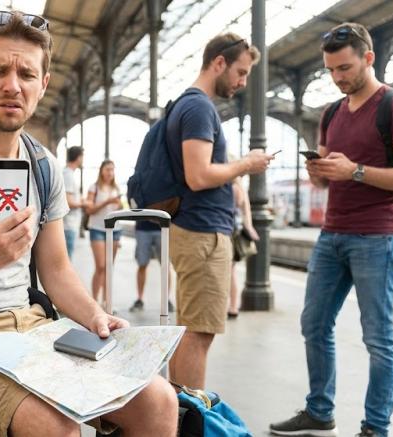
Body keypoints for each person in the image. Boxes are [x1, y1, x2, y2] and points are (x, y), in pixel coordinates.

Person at [0, 11, 177, 437]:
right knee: (55, 426)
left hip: (28, 324)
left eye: (26, 73)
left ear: (43, 84)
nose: (13, 85)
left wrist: (96, 316)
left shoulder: (43, 166)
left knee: (159, 401)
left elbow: (57, 270)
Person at [270, 23, 393, 437]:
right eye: (330, 70)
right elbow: (329, 177)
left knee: (378, 338)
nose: (337, 77)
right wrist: (319, 172)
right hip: (331, 234)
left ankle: (375, 427)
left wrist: (355, 171)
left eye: (344, 68)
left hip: (377, 237)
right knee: (314, 324)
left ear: (368, 58)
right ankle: (319, 410)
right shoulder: (330, 113)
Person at [166, 33, 273, 390]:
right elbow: (198, 176)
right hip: (203, 232)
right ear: (219, 63)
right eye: (240, 72)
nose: (242, 82)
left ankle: (178, 410)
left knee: (190, 329)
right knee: (199, 334)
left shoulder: (187, 104)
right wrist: (247, 164)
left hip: (195, 230)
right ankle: (193, 415)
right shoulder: (199, 108)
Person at [84, 160, 122, 305]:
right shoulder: (94, 188)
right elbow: (89, 210)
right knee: (100, 266)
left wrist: (118, 205)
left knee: (109, 267)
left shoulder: (116, 188)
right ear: (101, 171)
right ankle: (94, 301)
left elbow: (119, 209)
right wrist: (107, 202)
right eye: (107, 169)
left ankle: (107, 302)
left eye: (112, 169)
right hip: (97, 229)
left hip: (115, 230)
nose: (110, 172)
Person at [227, 176, 258, 319]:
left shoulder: (230, 187)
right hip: (235, 232)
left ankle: (230, 305)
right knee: (231, 272)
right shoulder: (240, 188)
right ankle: (233, 306)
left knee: (225, 272)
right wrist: (249, 227)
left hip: (227, 233)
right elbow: (246, 211)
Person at [62, 146, 84, 260]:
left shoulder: (67, 173)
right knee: (67, 259)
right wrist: (85, 204)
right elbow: (68, 202)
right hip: (68, 224)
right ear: (79, 157)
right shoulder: (68, 175)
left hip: (70, 224)